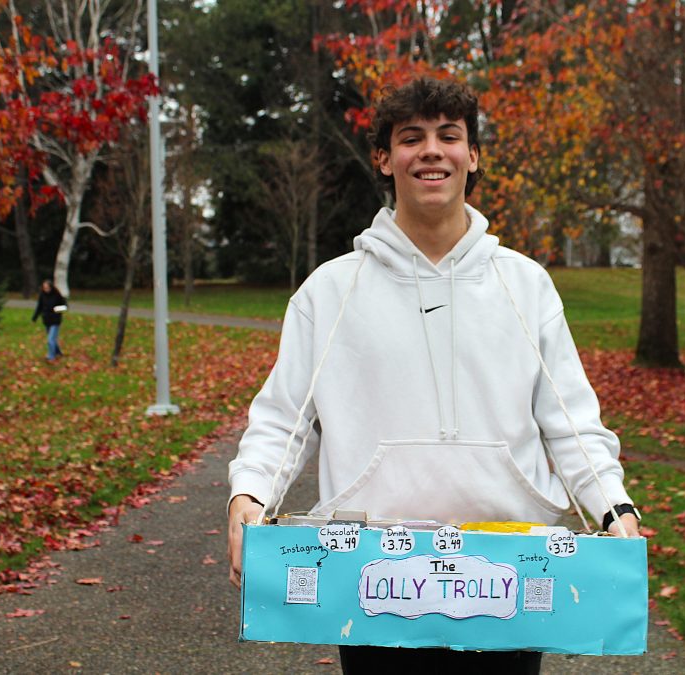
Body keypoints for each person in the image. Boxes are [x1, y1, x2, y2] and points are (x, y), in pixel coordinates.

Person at [227, 77, 640, 673]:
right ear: (384, 158)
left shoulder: (525, 284)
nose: (431, 151)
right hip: (371, 579)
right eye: (410, 138)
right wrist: (250, 495)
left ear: (472, 157)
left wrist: (613, 507)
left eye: (449, 136)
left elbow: (570, 420)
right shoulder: (330, 291)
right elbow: (283, 419)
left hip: (508, 576)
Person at [31, 279, 66, 361]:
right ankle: (58, 352)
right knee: (52, 339)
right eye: (44, 288)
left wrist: (55, 310)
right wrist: (34, 318)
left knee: (50, 339)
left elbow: (64, 306)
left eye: (47, 288)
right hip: (47, 320)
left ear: (51, 287)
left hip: (55, 320)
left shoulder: (57, 295)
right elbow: (39, 307)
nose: (46, 290)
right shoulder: (42, 296)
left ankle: (51, 356)